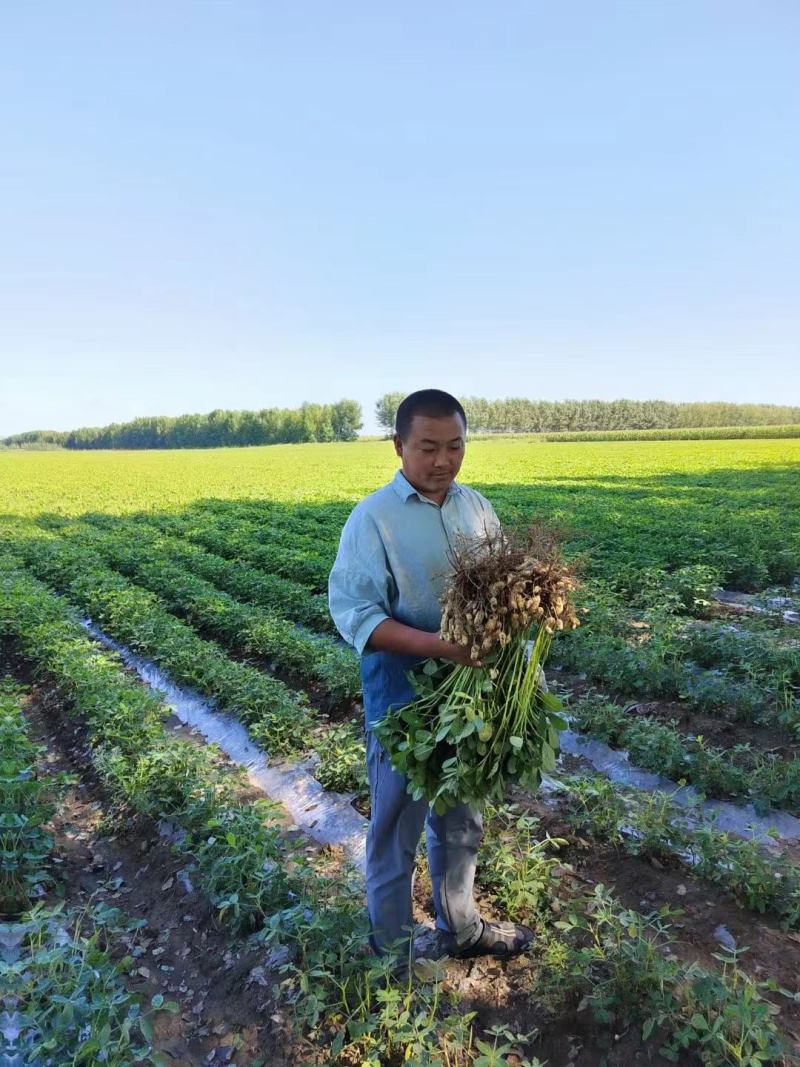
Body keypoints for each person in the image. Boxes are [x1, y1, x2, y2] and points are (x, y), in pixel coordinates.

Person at [328, 389, 535, 962]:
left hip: (469, 702)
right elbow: (359, 617)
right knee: (396, 830)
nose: (443, 460)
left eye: (455, 446)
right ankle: (390, 955)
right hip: (403, 703)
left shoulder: (477, 508)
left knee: (462, 820)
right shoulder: (373, 519)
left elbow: (501, 590)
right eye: (428, 447)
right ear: (398, 447)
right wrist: (443, 648)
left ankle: (460, 928)